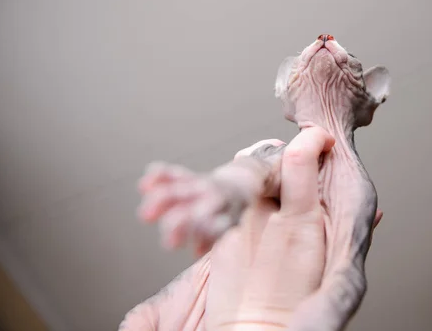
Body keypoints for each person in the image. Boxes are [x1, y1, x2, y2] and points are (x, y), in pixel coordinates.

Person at [121, 127, 383, 330]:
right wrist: (227, 187)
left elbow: (348, 277)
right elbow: (257, 169)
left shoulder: (356, 186)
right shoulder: (278, 152)